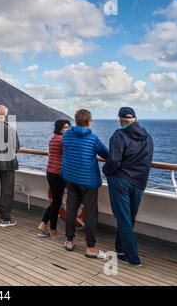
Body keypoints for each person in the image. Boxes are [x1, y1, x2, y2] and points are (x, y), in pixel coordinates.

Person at [103, 107, 153, 267]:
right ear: (136, 119)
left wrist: (106, 171)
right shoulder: (148, 136)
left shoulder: (119, 135)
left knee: (123, 219)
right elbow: (147, 160)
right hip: (139, 182)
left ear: (120, 120)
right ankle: (120, 249)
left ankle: (133, 258)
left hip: (121, 181)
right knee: (129, 218)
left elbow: (113, 161)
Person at [62, 109, 108, 258]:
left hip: (71, 178)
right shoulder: (92, 138)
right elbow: (106, 154)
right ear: (89, 121)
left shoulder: (67, 135)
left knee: (71, 209)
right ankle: (90, 247)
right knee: (90, 213)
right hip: (88, 181)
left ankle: (69, 241)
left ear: (76, 120)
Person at [38, 120, 71, 238]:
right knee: (57, 202)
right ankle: (52, 229)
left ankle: (44, 224)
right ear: (59, 128)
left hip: (51, 173)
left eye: (68, 127)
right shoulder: (62, 140)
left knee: (56, 202)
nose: (67, 129)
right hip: (58, 174)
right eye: (65, 127)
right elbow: (69, 153)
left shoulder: (53, 138)